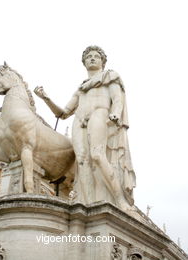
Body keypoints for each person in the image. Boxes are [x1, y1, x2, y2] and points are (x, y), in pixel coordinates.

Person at [34, 46, 136, 212]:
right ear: (84, 62)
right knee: (82, 162)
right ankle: (87, 205)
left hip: (100, 114)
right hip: (79, 120)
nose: (92, 58)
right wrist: (46, 98)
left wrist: (116, 114)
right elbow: (63, 113)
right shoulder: (81, 89)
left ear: (103, 61)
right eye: (89, 57)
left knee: (97, 155)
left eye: (96, 56)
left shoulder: (109, 77)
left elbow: (117, 100)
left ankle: (120, 201)